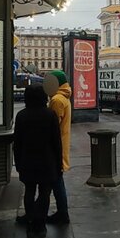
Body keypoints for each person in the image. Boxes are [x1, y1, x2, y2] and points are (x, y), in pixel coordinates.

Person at [12, 85, 63, 238]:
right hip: (47, 161)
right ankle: (40, 225)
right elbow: (56, 142)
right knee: (44, 192)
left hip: (27, 160)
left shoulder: (21, 116)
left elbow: (17, 143)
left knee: (29, 191)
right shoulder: (50, 115)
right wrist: (59, 163)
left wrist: (18, 163)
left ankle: (30, 222)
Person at [45, 69, 72, 225]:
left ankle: (62, 213)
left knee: (56, 180)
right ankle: (61, 212)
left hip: (55, 147)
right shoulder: (64, 97)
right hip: (61, 144)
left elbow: (52, 125)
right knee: (54, 180)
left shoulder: (56, 100)